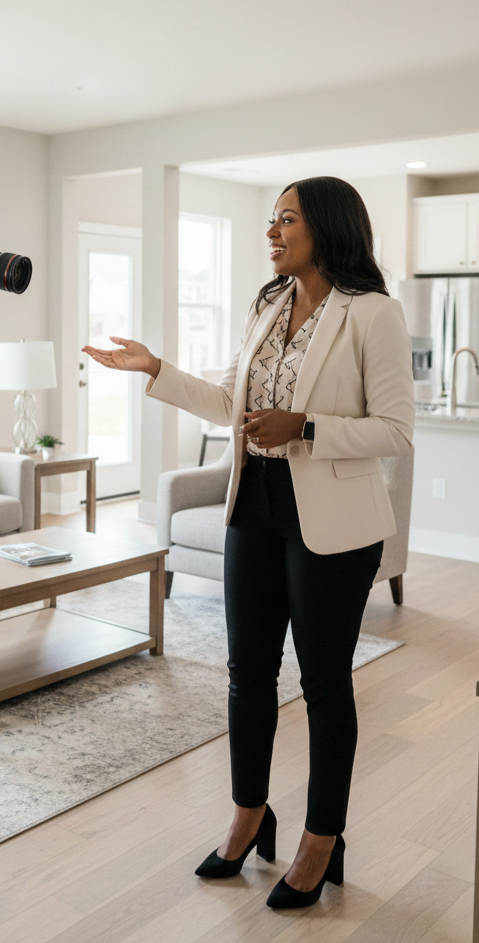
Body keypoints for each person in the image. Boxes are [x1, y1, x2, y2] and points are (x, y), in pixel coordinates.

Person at [83, 176, 414, 910]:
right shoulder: (267, 303)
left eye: (285, 219)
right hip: (254, 504)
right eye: (270, 219)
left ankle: (322, 838)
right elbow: (232, 404)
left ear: (324, 228)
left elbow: (394, 431)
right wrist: (154, 370)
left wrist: (304, 426)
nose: (272, 231)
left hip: (330, 521)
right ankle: (246, 813)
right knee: (246, 673)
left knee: (323, 682)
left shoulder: (372, 314)